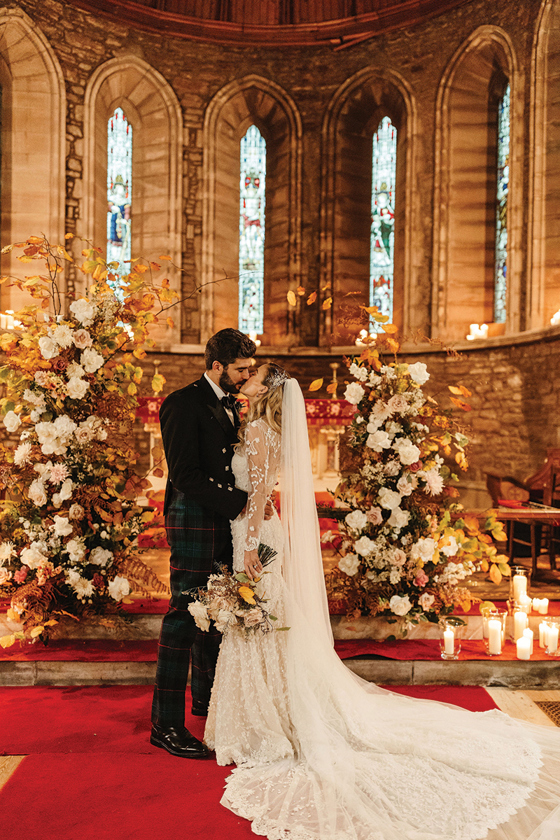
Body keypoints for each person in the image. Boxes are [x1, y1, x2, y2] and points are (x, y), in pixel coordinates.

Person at [204, 363, 560, 840]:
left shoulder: (264, 431)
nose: (247, 376)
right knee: (263, 617)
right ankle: (265, 714)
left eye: (256, 373)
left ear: (266, 388)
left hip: (254, 535)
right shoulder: (253, 424)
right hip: (247, 529)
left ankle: (272, 721)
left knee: (262, 616)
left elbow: (263, 491)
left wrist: (249, 546)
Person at [150, 328, 256, 759]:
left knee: (217, 609)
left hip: (221, 521)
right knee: (183, 616)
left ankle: (204, 697)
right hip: (195, 518)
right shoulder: (181, 402)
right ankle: (166, 724)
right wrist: (242, 503)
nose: (247, 375)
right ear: (217, 366)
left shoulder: (232, 403)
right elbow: (185, 475)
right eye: (241, 369)